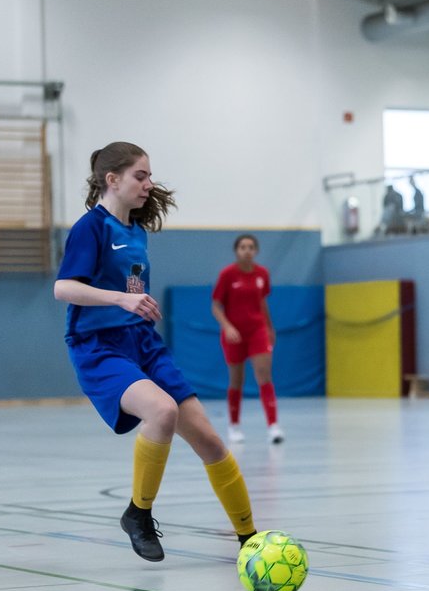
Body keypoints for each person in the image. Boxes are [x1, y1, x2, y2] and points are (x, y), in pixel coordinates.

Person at [53, 142, 257, 562]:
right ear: (113, 180)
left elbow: (131, 287)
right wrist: (122, 300)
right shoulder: (90, 228)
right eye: (140, 176)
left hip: (143, 344)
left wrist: (138, 303)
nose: (149, 184)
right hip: (99, 348)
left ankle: (250, 539)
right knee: (162, 411)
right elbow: (63, 288)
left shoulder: (136, 231)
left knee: (212, 443)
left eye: (149, 176)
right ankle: (138, 514)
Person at [212, 234, 283, 445]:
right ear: (236, 251)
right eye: (243, 247)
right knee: (237, 380)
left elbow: (262, 302)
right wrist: (227, 327)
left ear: (256, 251)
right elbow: (215, 306)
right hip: (234, 334)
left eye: (251, 247)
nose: (247, 250)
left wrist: (269, 328)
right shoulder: (227, 275)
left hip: (257, 331)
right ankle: (234, 425)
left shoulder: (262, 274)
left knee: (264, 375)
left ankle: (273, 426)